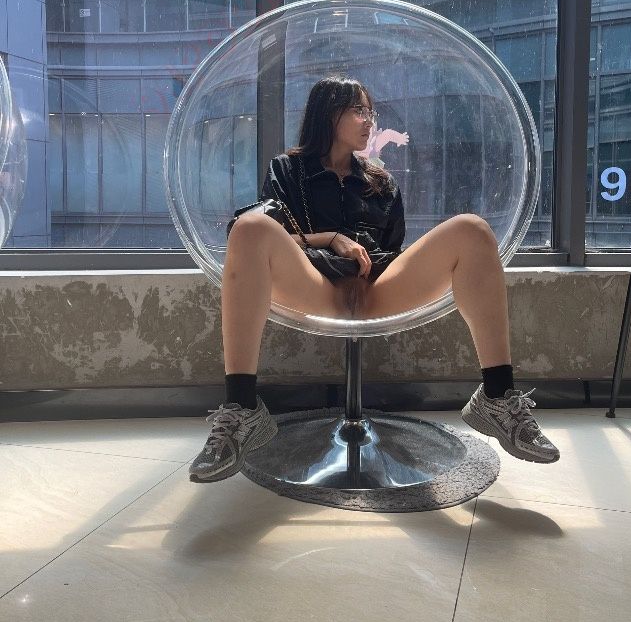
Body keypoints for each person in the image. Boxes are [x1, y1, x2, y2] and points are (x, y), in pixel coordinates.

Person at [189, 75, 560, 483]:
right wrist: (332, 238)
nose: (369, 121)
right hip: (316, 285)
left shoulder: (381, 182)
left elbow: (392, 248)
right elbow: (257, 237)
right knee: (250, 228)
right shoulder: (288, 170)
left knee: (472, 230)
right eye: (358, 111)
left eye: (371, 112)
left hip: (377, 289)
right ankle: (242, 408)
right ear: (329, 114)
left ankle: (497, 396)